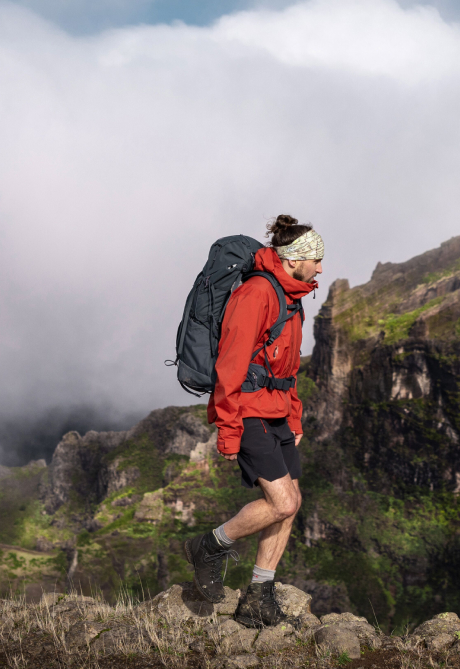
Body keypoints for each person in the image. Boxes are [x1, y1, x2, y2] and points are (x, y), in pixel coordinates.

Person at [184, 214, 324, 628]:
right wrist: (227, 431)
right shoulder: (257, 293)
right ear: (294, 259)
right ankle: (208, 545)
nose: (321, 267)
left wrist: (294, 416)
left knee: (292, 504)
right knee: (283, 502)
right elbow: (230, 366)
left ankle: (258, 597)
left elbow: (288, 367)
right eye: (316, 259)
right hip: (247, 411)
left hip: (277, 411)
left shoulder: (292, 297)